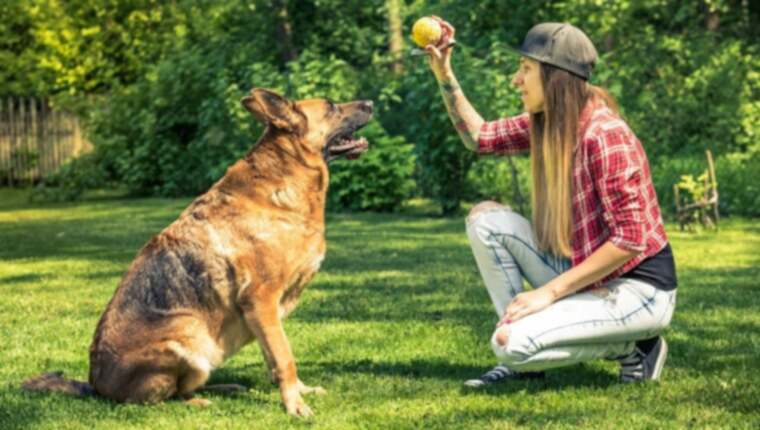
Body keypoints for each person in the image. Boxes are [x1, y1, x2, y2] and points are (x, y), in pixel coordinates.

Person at [424, 19, 677, 387]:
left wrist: (548, 293)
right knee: (485, 221)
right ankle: (523, 353)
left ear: (555, 77)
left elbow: (630, 239)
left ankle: (636, 348)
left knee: (509, 344)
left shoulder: (606, 136)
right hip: (589, 273)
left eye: (525, 70)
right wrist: (444, 73)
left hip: (639, 290)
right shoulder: (550, 123)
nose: (516, 79)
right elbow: (479, 137)